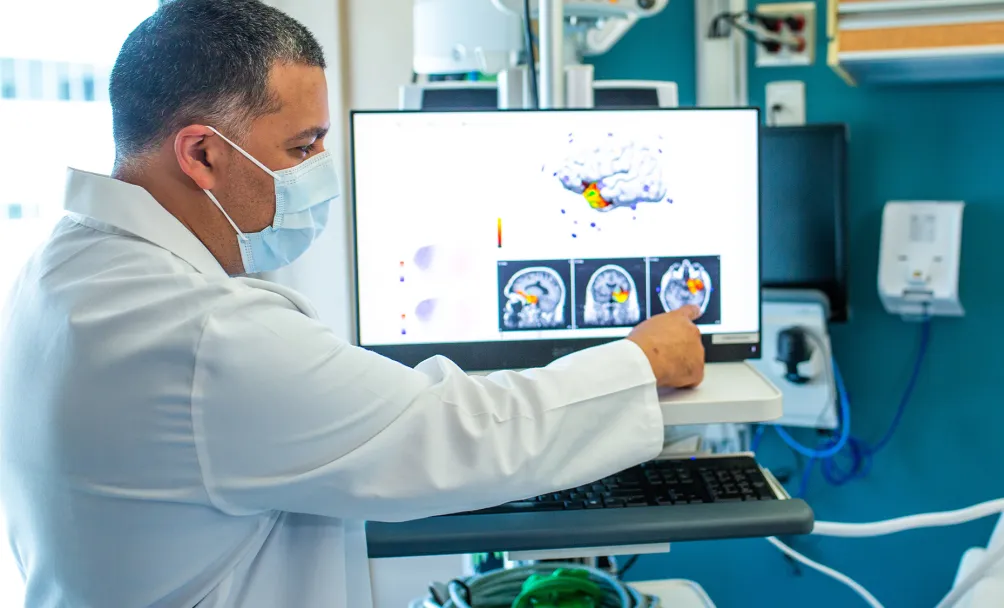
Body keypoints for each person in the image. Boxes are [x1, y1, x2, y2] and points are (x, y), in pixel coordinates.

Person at [0, 1, 705, 606]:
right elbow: (457, 433)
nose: (319, 174)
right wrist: (640, 363)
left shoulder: (63, 264)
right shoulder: (204, 336)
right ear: (202, 154)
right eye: (302, 147)